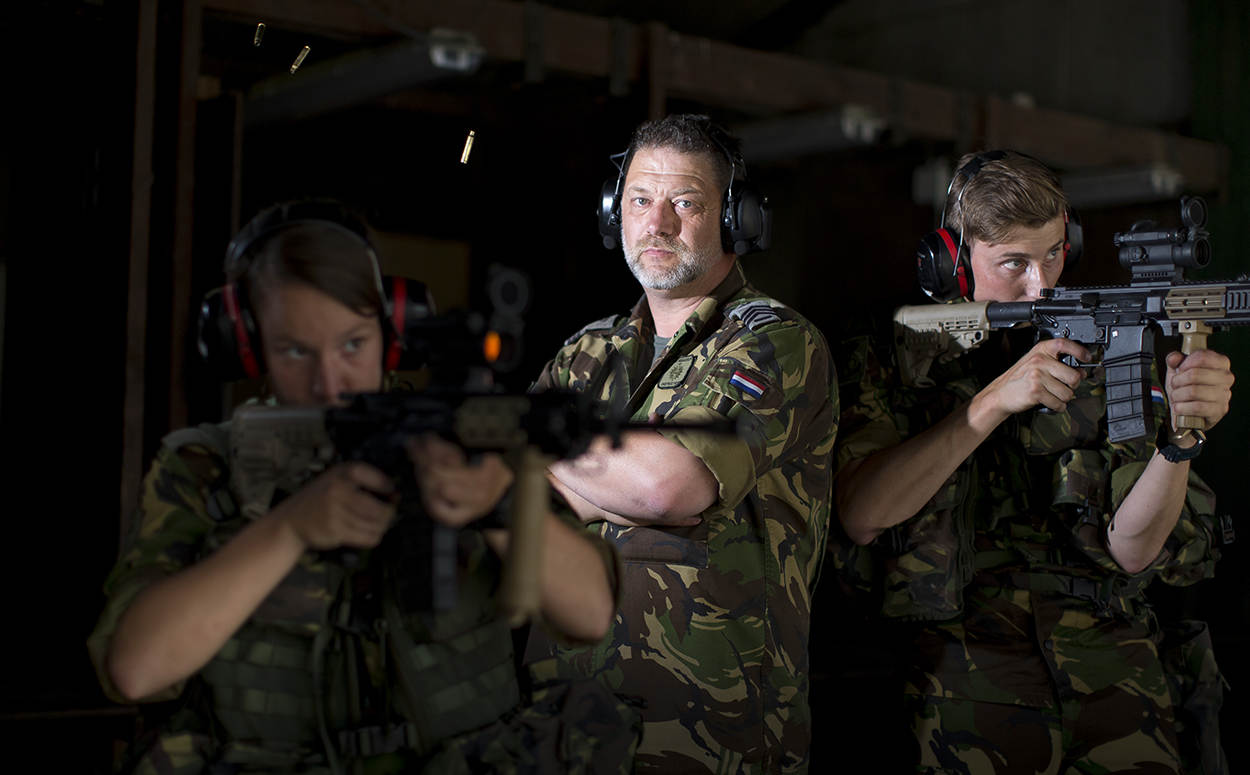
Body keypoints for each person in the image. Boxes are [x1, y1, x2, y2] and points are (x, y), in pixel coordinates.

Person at [88, 202, 637, 774]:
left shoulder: (466, 441)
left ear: (390, 331)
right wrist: (290, 529)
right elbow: (135, 671)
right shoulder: (205, 465)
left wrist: (498, 503)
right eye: (295, 351)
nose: (330, 382)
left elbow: (590, 615)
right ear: (248, 346)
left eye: (352, 344)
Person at [832, 151, 1234, 773]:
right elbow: (862, 515)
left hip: (1115, 666)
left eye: (1053, 254)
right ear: (951, 260)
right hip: (968, 676)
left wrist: (1181, 441)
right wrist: (992, 402)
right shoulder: (888, 356)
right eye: (1013, 263)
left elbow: (1133, 551)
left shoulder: (1104, 350)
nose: (1042, 286)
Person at [525, 114, 837, 773]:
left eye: (685, 203)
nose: (657, 224)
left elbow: (669, 487)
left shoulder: (775, 341)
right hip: (566, 728)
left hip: (710, 738)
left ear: (735, 218)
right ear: (615, 213)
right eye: (640, 200)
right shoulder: (586, 352)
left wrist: (558, 463)